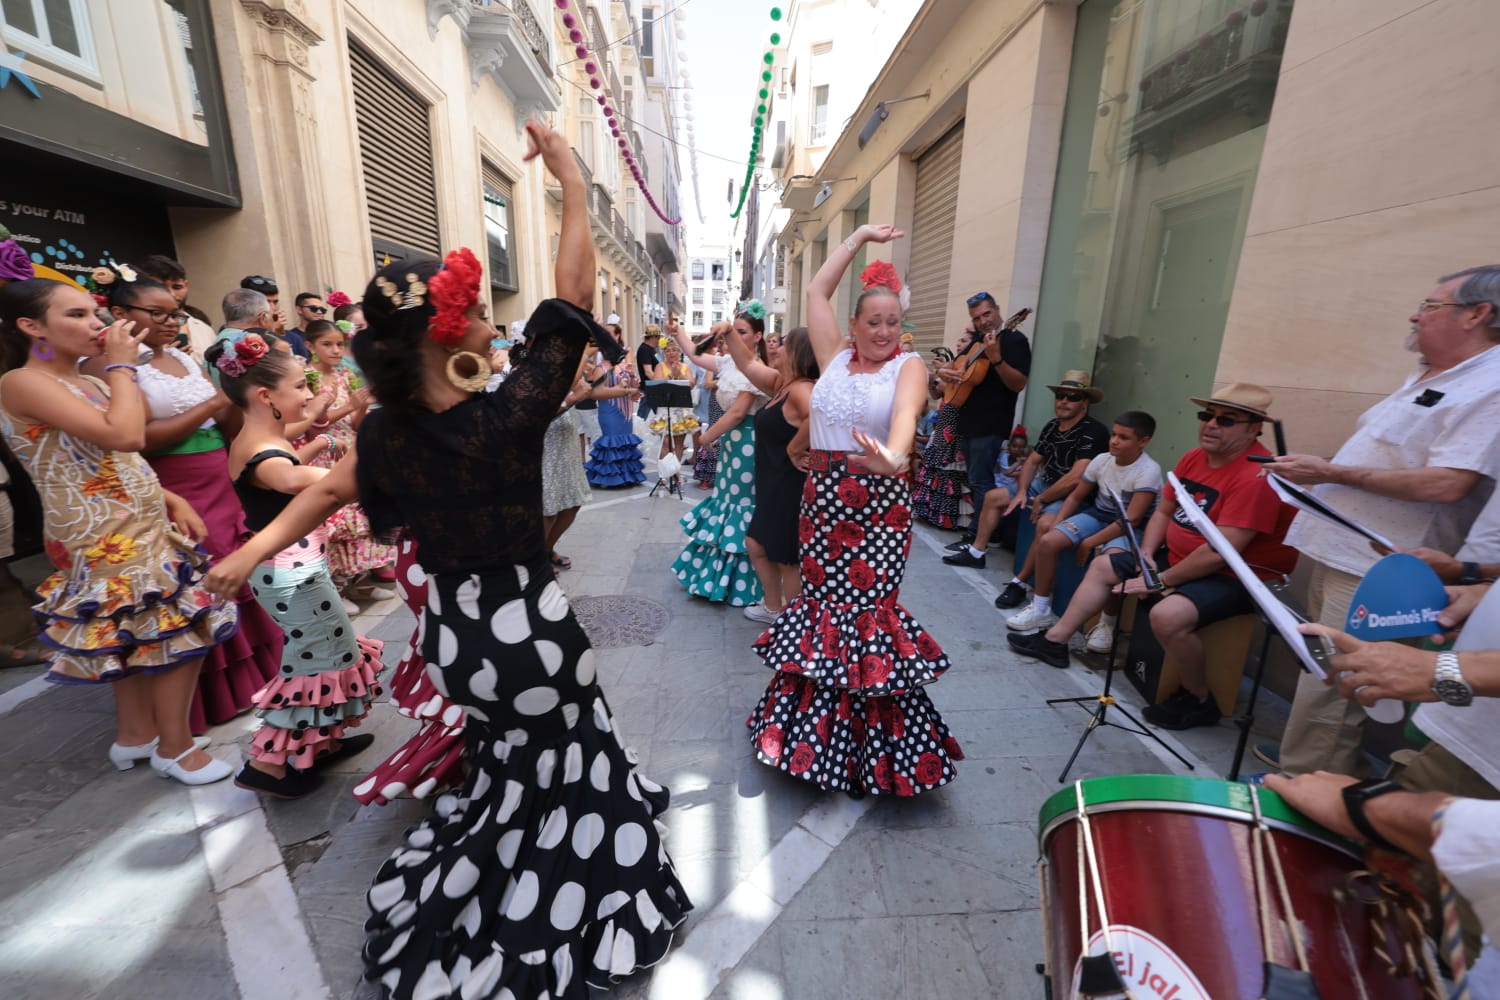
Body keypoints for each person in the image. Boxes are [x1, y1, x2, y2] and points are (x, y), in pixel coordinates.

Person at [204, 120, 690, 997]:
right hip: (531, 636)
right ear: (451, 328)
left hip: (460, 644)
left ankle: (509, 861)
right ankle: (565, 892)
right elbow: (573, 299)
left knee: (514, 766)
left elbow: (319, 494)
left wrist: (248, 553)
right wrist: (572, 181)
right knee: (565, 764)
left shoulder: (387, 433)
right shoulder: (504, 419)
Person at [1263, 264, 1500, 777]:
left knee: (1335, 681)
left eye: (1432, 305)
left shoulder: (1491, 383)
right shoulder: (1432, 374)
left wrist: (1329, 472)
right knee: (1320, 670)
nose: (1417, 314)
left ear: (1477, 314)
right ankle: (1307, 776)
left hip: (1386, 566)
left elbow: (1448, 482)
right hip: (1343, 552)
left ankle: (1304, 794)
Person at [747, 234, 963, 796]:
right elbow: (817, 288)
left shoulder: (908, 366)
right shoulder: (834, 358)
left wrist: (891, 457)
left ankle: (874, 751)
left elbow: (906, 422)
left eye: (893, 322)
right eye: (874, 321)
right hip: (821, 502)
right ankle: (811, 737)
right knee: (821, 612)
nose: (884, 332)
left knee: (866, 620)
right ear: (854, 323)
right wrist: (859, 238)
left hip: (879, 508)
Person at [0, 278, 237, 783]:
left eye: (95, 313)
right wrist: (124, 364)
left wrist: (171, 498)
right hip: (101, 531)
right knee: (174, 627)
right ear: (31, 327)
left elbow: (124, 455)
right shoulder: (22, 382)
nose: (98, 325)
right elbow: (127, 433)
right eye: (78, 315)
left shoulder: (93, 382)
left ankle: (136, 737)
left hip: (136, 520)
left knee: (130, 626)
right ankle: (175, 748)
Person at [1008, 385, 1298, 733]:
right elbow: (1164, 510)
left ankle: (1199, 699)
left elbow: (1221, 549)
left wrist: (1162, 579)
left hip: (1236, 574)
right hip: (1178, 556)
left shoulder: (1256, 477)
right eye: (1207, 416)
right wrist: (1145, 552)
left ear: (1254, 428)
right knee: (1104, 565)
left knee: (1166, 615)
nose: (1211, 424)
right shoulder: (1194, 457)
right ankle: (1055, 641)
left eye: (1227, 420)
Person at [86, 274, 284, 734]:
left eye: (175, 313)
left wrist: (237, 391)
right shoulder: (106, 369)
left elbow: (222, 421)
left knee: (239, 567)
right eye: (158, 314)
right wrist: (212, 401)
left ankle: (255, 679)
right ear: (120, 315)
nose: (172, 322)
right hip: (172, 483)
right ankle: (201, 703)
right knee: (199, 579)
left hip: (217, 474)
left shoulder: (180, 356)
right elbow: (140, 438)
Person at [207, 334, 380, 798]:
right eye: (300, 386)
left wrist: (320, 440)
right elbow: (288, 477)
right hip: (289, 574)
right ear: (266, 396)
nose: (309, 394)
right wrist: (358, 467)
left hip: (298, 566)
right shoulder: (260, 452)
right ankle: (268, 766)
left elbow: (285, 460)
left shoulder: (261, 435)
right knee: (316, 664)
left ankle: (319, 745)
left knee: (337, 649)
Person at [1005, 410, 1161, 638]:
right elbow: (1076, 497)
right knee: (1048, 540)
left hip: (1129, 528)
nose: (1115, 441)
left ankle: (1107, 625)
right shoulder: (1102, 460)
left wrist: (1089, 542)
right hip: (1099, 515)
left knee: (1112, 561)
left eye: (1124, 437)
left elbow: (1132, 519)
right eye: (1114, 435)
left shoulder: (1148, 471)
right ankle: (1040, 608)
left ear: (1143, 441)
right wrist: (1057, 525)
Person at [950, 370, 1108, 575]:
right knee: (992, 496)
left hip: (1074, 496)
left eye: (1073, 397)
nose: (1064, 401)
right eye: (1060, 395)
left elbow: (1076, 477)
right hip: (1045, 485)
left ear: (1085, 402)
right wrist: (1023, 490)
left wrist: (1042, 498)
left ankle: (1023, 582)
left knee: (1045, 524)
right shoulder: (1052, 426)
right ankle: (976, 552)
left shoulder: (1093, 431)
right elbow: (1033, 461)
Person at [718, 320, 818, 624]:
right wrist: (728, 332)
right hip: (771, 481)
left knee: (786, 557)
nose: (777, 347)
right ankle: (773, 608)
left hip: (789, 483)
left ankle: (793, 620)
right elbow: (747, 362)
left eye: (784, 343)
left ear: (798, 352)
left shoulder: (803, 390)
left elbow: (820, 415)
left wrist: (794, 448)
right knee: (757, 544)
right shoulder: (781, 384)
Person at [669, 306, 769, 605]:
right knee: (727, 502)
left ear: (757, 336)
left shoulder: (756, 367)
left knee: (740, 506)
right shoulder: (728, 363)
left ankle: (744, 581)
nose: (735, 338)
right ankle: (722, 576)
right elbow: (695, 354)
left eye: (742, 332)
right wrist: (678, 332)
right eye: (732, 331)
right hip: (734, 442)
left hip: (748, 442)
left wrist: (707, 436)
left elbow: (739, 412)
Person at [298, 320, 395, 609]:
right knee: (335, 523)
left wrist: (363, 404)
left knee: (358, 518)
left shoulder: (344, 375)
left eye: (340, 344)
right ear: (309, 346)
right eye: (327, 344)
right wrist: (351, 405)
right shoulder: (307, 377)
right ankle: (337, 587)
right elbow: (313, 424)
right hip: (324, 452)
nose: (336, 350)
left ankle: (361, 581)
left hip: (349, 449)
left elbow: (355, 422)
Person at [936, 291, 1030, 545]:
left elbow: (1018, 383)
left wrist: (997, 358)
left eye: (987, 314)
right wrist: (944, 371)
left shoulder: (1013, 340)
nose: (983, 321)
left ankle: (977, 538)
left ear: (998, 310)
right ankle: (977, 534)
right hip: (968, 422)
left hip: (990, 423)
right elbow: (955, 365)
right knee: (975, 479)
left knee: (981, 481)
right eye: (977, 318)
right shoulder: (977, 340)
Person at [911, 331, 974, 530]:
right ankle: (932, 513)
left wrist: (940, 375)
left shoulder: (970, 367)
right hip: (944, 420)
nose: (958, 343)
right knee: (935, 467)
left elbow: (955, 390)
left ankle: (948, 518)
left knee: (950, 469)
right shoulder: (952, 364)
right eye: (959, 339)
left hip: (956, 422)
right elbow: (935, 393)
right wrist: (933, 376)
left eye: (963, 340)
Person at [542, 356, 596, 571]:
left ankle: (547, 549)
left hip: (568, 450)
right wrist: (585, 351)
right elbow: (539, 414)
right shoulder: (537, 373)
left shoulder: (564, 370)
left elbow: (589, 391)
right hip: (549, 450)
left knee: (573, 504)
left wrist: (623, 392)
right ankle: (536, 559)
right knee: (549, 509)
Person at [583, 322, 646, 487]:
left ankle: (626, 477)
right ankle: (610, 478)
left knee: (625, 441)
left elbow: (634, 387)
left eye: (611, 333)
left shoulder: (624, 365)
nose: (608, 336)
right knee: (611, 440)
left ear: (618, 336)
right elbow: (595, 393)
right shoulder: (600, 368)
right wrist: (622, 391)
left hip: (625, 411)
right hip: (609, 411)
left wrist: (632, 379)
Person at [138, 254, 217, 357]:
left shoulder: (203, 328)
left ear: (186, 286)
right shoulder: (135, 330)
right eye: (161, 287)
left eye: (177, 287)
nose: (171, 294)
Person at [690, 330, 725, 488]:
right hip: (717, 401)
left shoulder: (739, 361)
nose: (723, 346)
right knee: (714, 432)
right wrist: (725, 381)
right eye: (721, 343)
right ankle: (706, 475)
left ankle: (723, 476)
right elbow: (707, 383)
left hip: (731, 403)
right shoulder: (716, 361)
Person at [239, 276, 304, 357]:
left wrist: (279, 332)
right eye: (267, 302)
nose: (272, 308)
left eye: (275, 302)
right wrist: (271, 332)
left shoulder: (295, 338)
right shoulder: (237, 334)